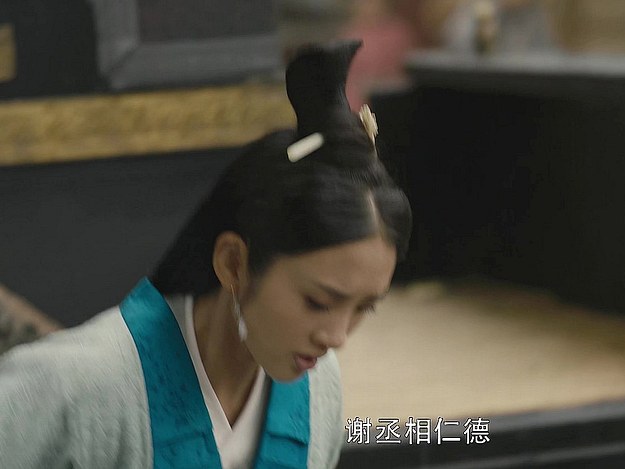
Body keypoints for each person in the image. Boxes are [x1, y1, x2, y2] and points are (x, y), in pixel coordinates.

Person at [0, 40, 412, 469]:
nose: (337, 337)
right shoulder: (77, 387)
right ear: (234, 263)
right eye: (318, 302)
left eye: (363, 308)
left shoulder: (318, 387)